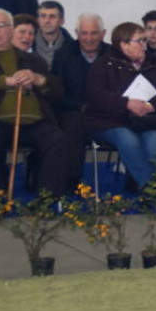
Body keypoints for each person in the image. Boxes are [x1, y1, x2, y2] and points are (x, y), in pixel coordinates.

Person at [0, 8, 67, 199]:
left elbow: (58, 90)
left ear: (11, 31)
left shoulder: (32, 60)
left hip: (34, 123)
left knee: (59, 140)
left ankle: (45, 200)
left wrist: (38, 80)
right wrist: (5, 81)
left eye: (2, 25)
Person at [84, 22, 156, 192]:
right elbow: (96, 95)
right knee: (127, 139)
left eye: (144, 41)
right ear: (123, 44)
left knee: (155, 142)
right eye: (138, 41)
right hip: (110, 122)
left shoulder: (155, 63)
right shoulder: (104, 64)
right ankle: (152, 188)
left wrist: (151, 106)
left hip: (146, 119)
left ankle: (143, 184)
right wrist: (126, 103)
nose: (143, 45)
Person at [52, 12, 111, 189]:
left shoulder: (113, 55)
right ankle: (71, 181)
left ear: (103, 34)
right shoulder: (63, 54)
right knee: (73, 127)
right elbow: (57, 93)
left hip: (108, 112)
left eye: (94, 33)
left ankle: (136, 183)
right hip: (74, 111)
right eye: (84, 33)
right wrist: (81, 106)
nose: (89, 38)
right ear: (77, 33)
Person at [33, 0, 75, 67]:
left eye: (52, 16)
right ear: (38, 20)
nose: (47, 21)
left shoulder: (73, 49)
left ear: (61, 21)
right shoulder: (28, 44)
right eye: (43, 16)